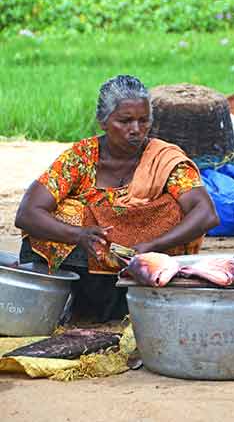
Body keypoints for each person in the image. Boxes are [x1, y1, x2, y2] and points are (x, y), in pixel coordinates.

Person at [15, 75, 219, 322]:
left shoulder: (163, 159)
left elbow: (205, 213)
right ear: (103, 121)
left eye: (143, 121)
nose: (136, 130)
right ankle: (75, 305)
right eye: (125, 121)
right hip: (88, 257)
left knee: (174, 212)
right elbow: (28, 212)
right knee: (63, 215)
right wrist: (79, 234)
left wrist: (153, 245)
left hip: (147, 256)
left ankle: (138, 307)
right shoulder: (81, 157)